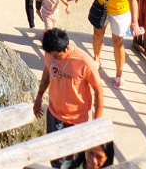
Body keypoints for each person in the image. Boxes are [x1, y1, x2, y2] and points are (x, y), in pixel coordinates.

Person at [32, 28, 108, 169]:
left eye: (57, 56)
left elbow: (98, 91)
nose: (53, 58)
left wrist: (96, 123)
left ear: (66, 48)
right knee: (55, 158)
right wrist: (39, 98)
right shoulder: (50, 53)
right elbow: (46, 75)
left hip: (77, 121)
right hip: (54, 115)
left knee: (73, 163)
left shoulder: (85, 62)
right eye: (51, 55)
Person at [68, 0, 140, 89]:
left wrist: (135, 21)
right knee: (97, 33)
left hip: (119, 11)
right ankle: (96, 58)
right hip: (102, 6)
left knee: (117, 42)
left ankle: (119, 74)